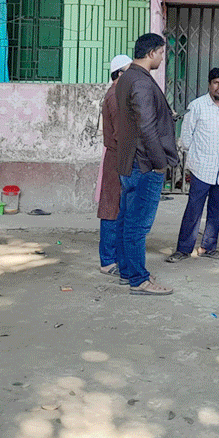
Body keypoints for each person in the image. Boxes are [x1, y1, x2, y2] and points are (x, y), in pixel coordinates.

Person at [114, 32, 179, 296]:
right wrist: (160, 163)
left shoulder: (126, 77)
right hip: (143, 164)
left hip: (130, 160)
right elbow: (146, 126)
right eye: (162, 53)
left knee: (128, 220)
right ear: (151, 52)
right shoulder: (140, 82)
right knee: (138, 225)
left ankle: (128, 271)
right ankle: (139, 280)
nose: (163, 58)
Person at [167, 67, 219, 263]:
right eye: (216, 82)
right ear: (209, 84)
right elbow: (186, 137)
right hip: (201, 168)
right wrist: (196, 158)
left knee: (218, 210)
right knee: (194, 210)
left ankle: (208, 246)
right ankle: (183, 249)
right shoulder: (197, 106)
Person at [98, 54, 133, 276]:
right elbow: (121, 132)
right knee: (111, 208)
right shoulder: (115, 97)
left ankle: (114, 257)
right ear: (119, 74)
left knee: (117, 207)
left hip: (118, 155)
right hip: (117, 156)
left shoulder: (117, 95)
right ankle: (108, 260)